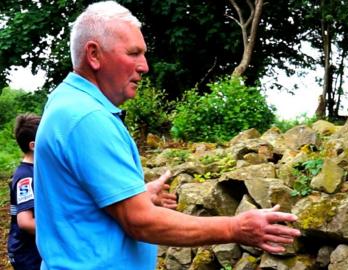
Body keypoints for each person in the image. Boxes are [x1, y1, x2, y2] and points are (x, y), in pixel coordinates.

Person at [34, 1, 300, 269]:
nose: (144, 66)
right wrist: (235, 227)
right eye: (134, 53)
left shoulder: (68, 104)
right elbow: (140, 222)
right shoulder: (87, 118)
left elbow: (77, 203)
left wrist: (137, 194)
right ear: (94, 54)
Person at [8, 113, 42, 270]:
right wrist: (60, 230)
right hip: (27, 254)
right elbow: (25, 222)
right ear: (33, 145)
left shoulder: (37, 170)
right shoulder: (25, 177)